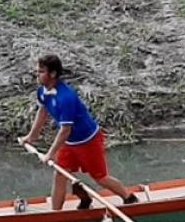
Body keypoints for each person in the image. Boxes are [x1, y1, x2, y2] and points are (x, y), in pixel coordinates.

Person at [19, 54, 140, 211]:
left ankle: (129, 198)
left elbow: (65, 130)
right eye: (37, 71)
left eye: (41, 72)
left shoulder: (66, 97)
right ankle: (55, 215)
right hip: (70, 142)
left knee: (100, 178)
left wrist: (50, 153)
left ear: (53, 74)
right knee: (60, 174)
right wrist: (32, 136)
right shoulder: (42, 91)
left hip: (88, 141)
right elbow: (42, 111)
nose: (37, 75)